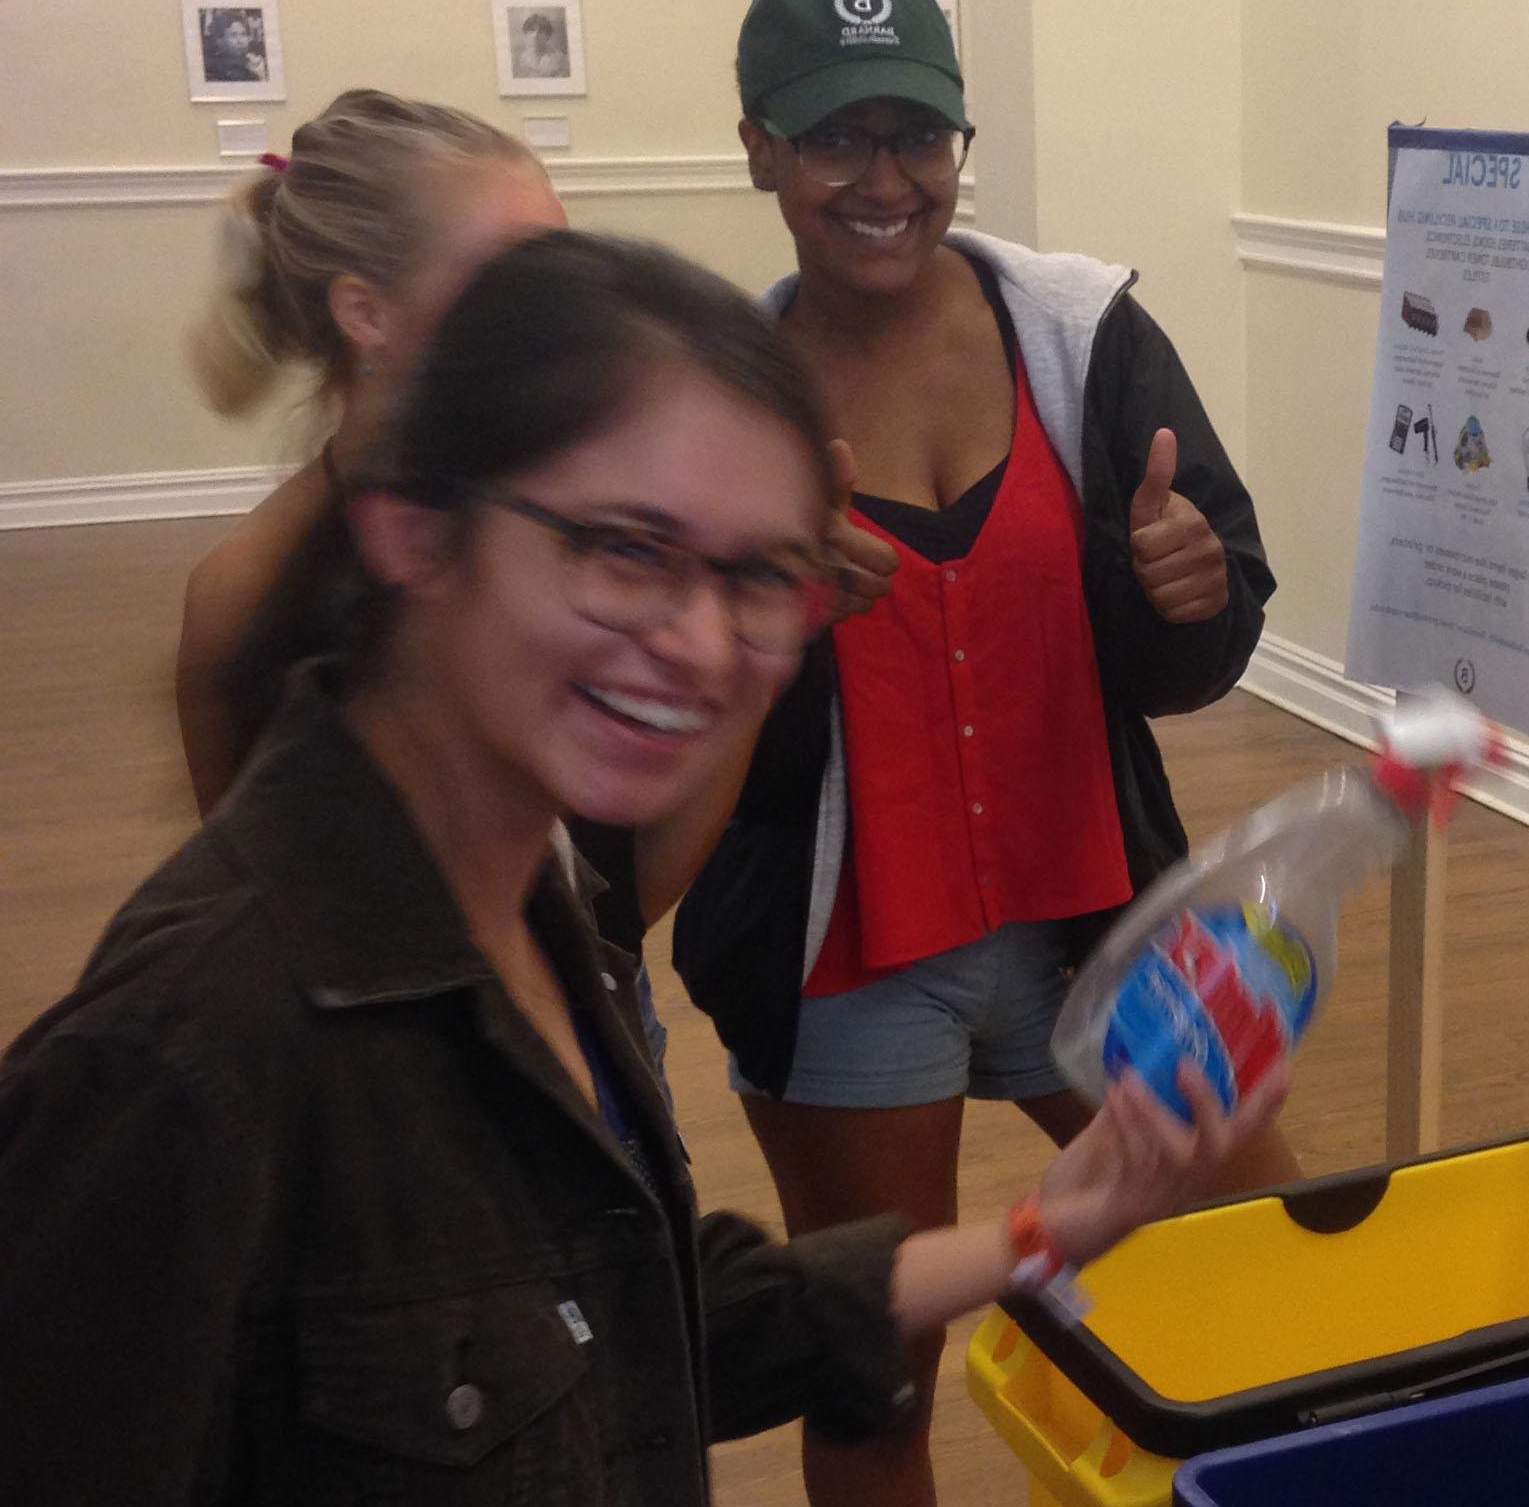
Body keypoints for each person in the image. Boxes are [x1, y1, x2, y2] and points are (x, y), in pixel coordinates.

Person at [0, 230, 1285, 1505]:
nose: (703, 645)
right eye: (625, 549)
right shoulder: (180, 1062)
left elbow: (614, 1308)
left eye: (762, 576)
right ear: (414, 536)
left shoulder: (533, 923)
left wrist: (1040, 1232)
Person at [654, 0, 1300, 1504]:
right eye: (834, 139)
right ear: (760, 148)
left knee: (1268, 1251)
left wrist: (1187, 592)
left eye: (915, 134)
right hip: (850, 959)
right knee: (875, 1378)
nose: (883, 180)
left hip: (1102, 909)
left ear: (956, 144)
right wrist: (771, 608)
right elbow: (660, 725)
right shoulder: (714, 391)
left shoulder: (1084, 334)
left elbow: (1199, 644)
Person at [178, 89, 568, 817]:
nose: (562, 313)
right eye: (510, 281)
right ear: (365, 313)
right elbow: (256, 901)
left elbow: (619, 890)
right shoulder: (248, 592)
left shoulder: (569, 514)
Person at [513, 11, 569, 79]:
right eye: (532, 30)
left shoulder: (559, 59)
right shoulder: (522, 59)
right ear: (526, 34)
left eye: (540, 31)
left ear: (547, 35)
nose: (535, 35)